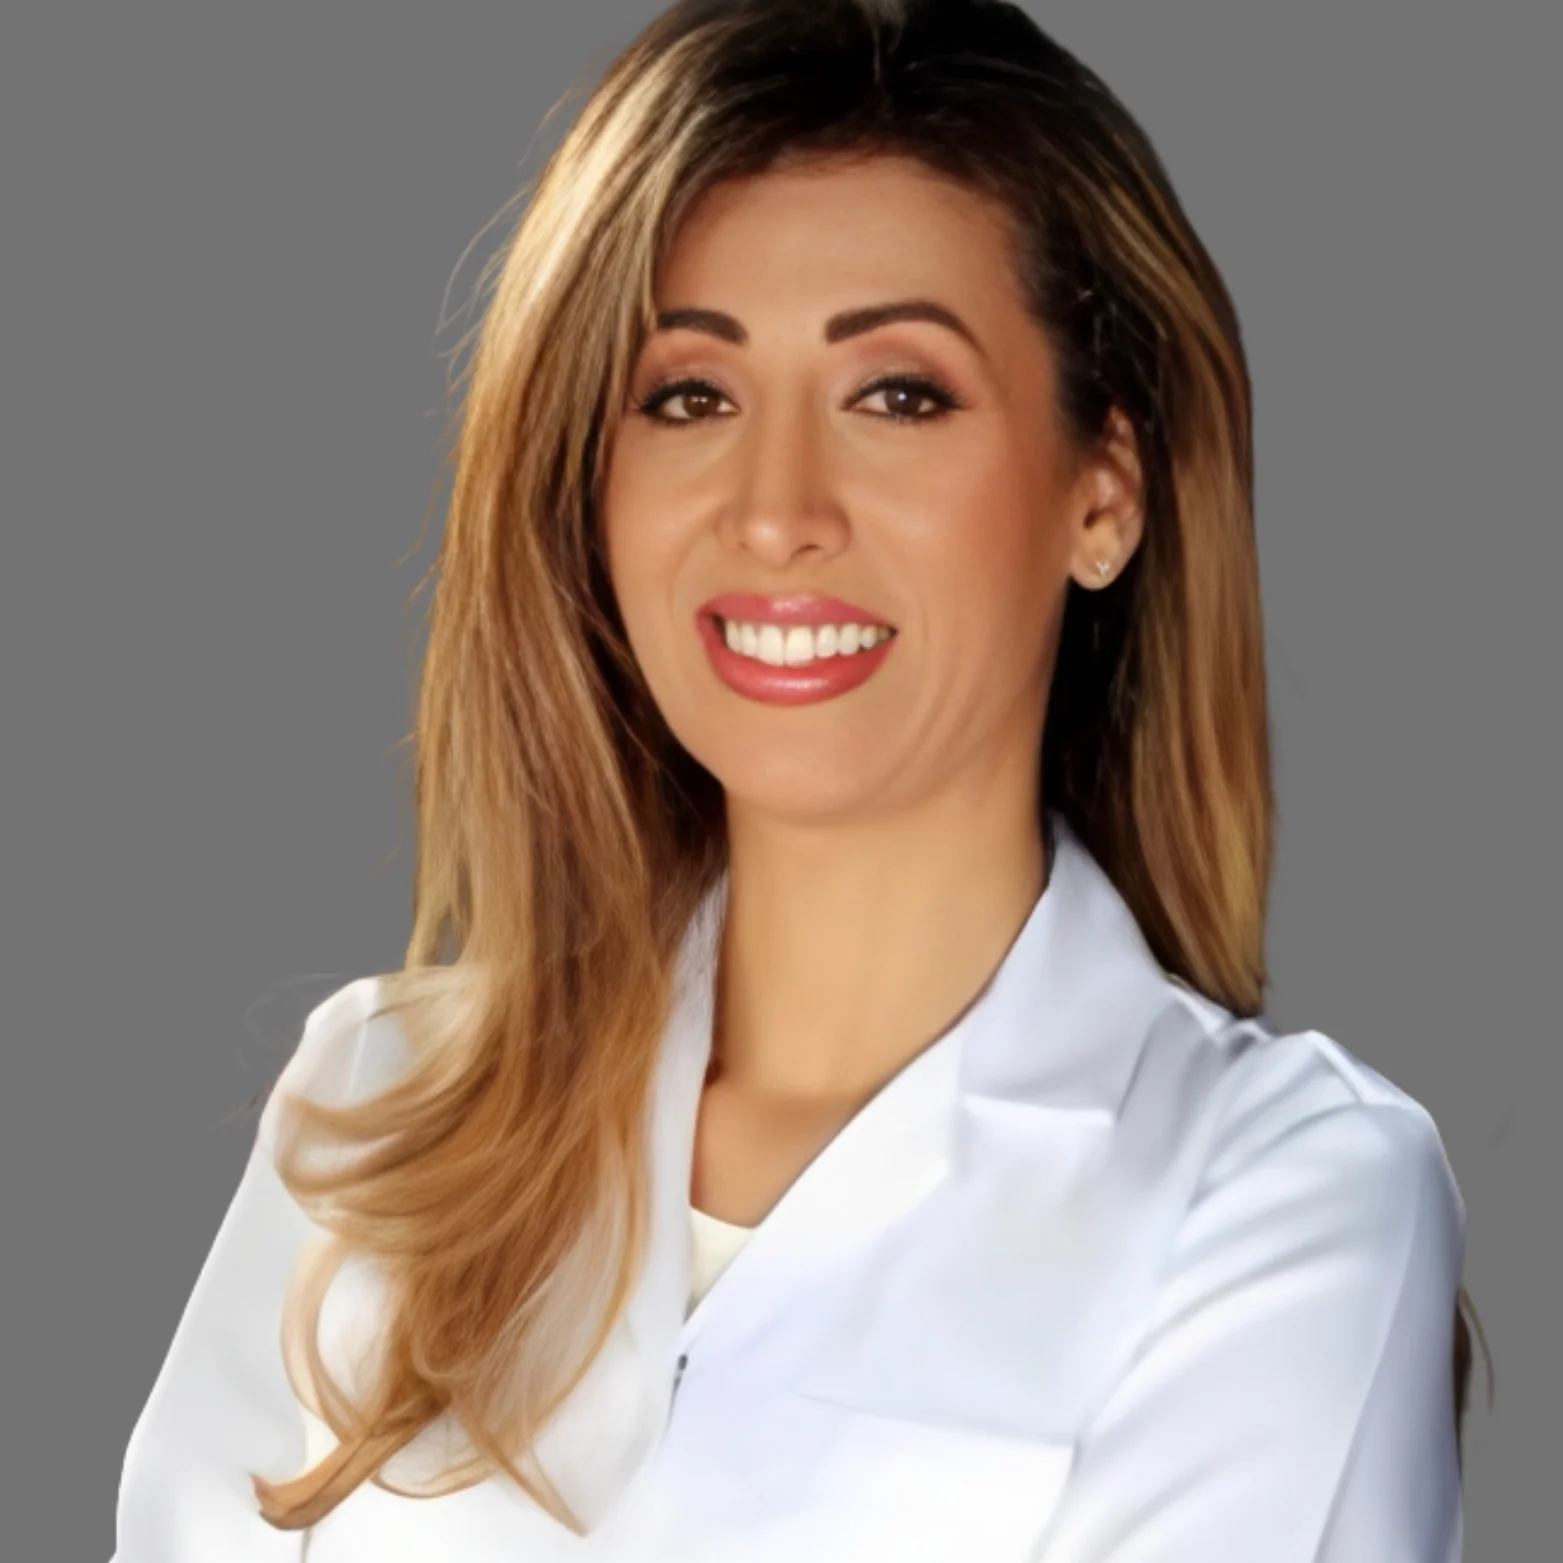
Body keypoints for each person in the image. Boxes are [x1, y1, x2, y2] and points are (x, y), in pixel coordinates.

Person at [111, 1, 1482, 1558]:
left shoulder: (1281, 1195)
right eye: (688, 395)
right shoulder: (379, 1103)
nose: (774, 513)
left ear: (1102, 488)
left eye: (897, 394)